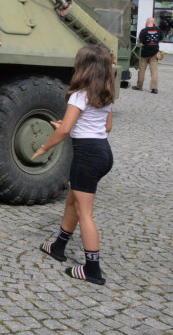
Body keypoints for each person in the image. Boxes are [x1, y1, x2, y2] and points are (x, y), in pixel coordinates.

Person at [32, 45, 115, 285]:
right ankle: (58, 246)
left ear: (84, 67)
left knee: (85, 213)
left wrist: (44, 147)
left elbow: (66, 130)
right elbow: (106, 127)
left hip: (87, 156)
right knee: (72, 200)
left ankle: (92, 269)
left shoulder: (80, 94)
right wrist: (70, 127)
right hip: (103, 153)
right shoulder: (106, 94)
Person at [133, 17, 161, 93]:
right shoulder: (158, 31)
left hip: (144, 54)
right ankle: (154, 88)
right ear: (153, 22)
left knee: (142, 70)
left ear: (147, 22)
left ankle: (139, 86)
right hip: (154, 53)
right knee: (154, 71)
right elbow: (160, 39)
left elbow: (140, 42)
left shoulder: (144, 31)